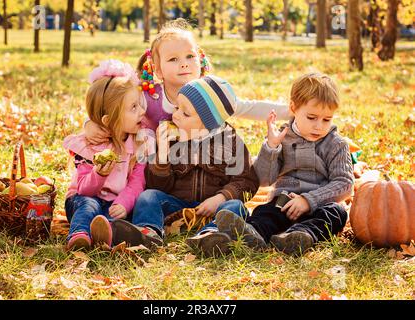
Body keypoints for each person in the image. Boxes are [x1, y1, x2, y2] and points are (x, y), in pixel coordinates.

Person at [110, 75, 260, 257]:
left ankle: (210, 234)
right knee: (148, 196)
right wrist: (163, 156)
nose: (175, 116)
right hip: (178, 207)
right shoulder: (173, 140)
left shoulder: (230, 142)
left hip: (214, 208)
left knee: (236, 206)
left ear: (209, 122)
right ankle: (147, 232)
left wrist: (221, 198)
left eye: (185, 113)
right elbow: (157, 186)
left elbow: (246, 181)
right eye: (177, 108)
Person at [84, 19, 290, 146]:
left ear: (200, 59)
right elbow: (114, 109)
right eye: (173, 59)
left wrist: (291, 111)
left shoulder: (208, 93)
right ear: (157, 69)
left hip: (201, 165)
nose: (184, 64)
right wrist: (90, 124)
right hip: (157, 168)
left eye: (190, 56)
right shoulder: (148, 96)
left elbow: (246, 107)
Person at [216, 72, 354, 256]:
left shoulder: (336, 144)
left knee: (337, 213)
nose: (319, 126)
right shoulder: (283, 138)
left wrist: (308, 200)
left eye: (326, 119)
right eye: (312, 117)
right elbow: (265, 179)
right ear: (293, 108)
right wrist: (271, 147)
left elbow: (344, 184)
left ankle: (299, 236)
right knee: (266, 211)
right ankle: (253, 233)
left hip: (320, 203)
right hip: (285, 201)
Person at [63, 60, 146, 251]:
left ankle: (104, 236)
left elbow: (137, 182)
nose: (142, 111)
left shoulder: (140, 144)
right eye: (133, 107)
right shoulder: (90, 146)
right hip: (82, 200)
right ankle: (79, 235)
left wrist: (124, 203)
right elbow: (84, 190)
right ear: (109, 120)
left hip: (115, 202)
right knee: (89, 205)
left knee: (114, 217)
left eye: (139, 104)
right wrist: (99, 174)